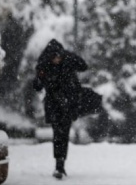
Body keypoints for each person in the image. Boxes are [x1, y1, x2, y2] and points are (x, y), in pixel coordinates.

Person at [32, 39, 87, 179]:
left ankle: (61, 164)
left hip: (68, 104)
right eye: (55, 57)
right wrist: (40, 76)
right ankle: (59, 165)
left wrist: (68, 55)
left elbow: (83, 66)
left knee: (64, 133)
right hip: (54, 104)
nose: (58, 59)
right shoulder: (44, 65)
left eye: (60, 56)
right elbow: (37, 85)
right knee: (58, 133)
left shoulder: (67, 62)